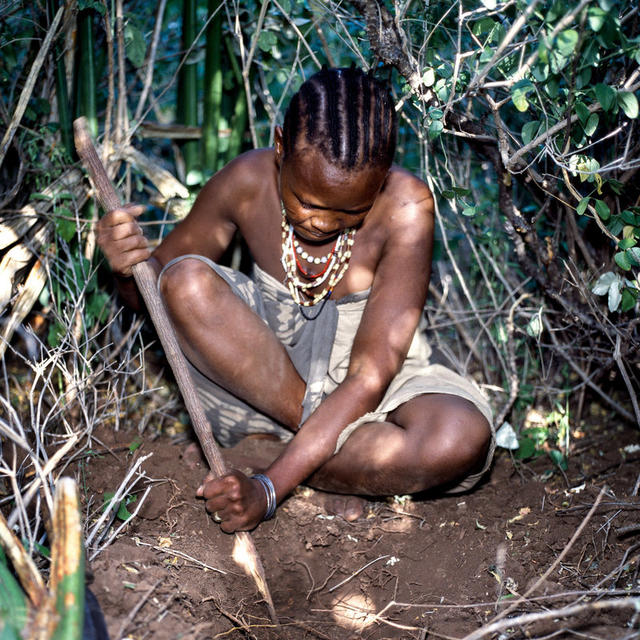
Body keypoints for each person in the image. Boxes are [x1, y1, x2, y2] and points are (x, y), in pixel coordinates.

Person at [97, 66, 495, 533]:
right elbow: (150, 297)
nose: (322, 223)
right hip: (258, 386)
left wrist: (268, 488)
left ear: (383, 178)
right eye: (305, 200)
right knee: (182, 281)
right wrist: (126, 268)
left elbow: (370, 376)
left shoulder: (407, 207)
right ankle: (331, 465)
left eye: (350, 211)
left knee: (457, 437)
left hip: (365, 391)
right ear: (281, 146)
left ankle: (272, 453)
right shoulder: (246, 181)